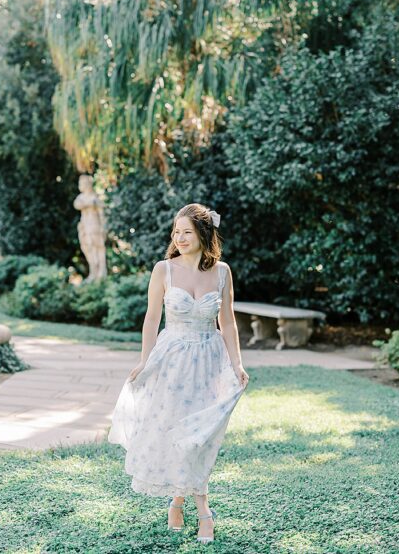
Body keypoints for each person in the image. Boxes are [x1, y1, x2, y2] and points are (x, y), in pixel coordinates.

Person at [109, 203, 249, 545]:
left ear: (203, 234)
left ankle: (183, 502)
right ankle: (202, 512)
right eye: (176, 231)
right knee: (177, 432)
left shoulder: (222, 272)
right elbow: (150, 318)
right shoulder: (164, 270)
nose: (180, 237)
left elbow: (227, 322)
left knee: (198, 436)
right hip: (172, 361)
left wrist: (237, 363)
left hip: (209, 361)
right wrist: (144, 360)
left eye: (187, 231)